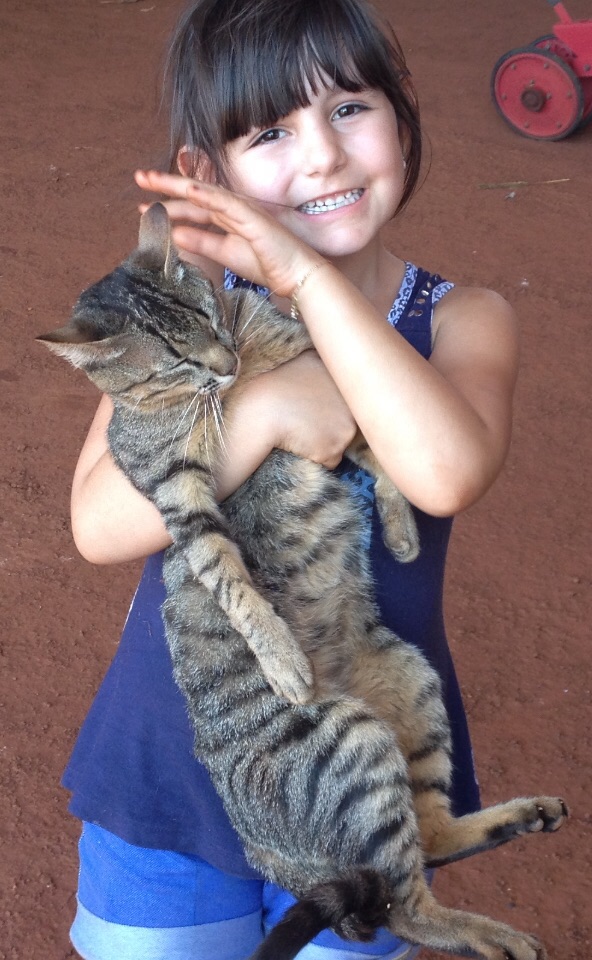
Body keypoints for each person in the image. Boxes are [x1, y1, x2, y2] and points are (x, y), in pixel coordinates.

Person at [64, 0, 519, 958]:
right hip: (173, 771)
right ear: (206, 174)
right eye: (271, 131)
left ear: (401, 113)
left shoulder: (461, 319)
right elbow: (98, 525)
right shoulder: (178, 312)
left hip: (357, 780)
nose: (322, 157)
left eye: (350, 108)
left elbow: (443, 473)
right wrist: (268, 408)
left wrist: (306, 282)